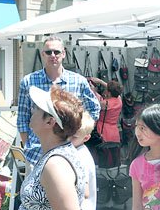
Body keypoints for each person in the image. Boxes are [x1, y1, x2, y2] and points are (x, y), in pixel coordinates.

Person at [18, 36, 100, 165]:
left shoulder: (79, 81)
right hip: (37, 152)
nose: (53, 55)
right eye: (48, 52)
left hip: (70, 150)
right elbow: (22, 118)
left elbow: (94, 109)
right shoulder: (28, 81)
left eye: (56, 52)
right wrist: (27, 144)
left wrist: (79, 135)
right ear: (42, 55)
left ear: (63, 54)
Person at [88, 78, 123, 143]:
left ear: (109, 92)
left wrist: (93, 91)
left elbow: (95, 103)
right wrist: (100, 81)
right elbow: (113, 89)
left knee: (103, 150)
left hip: (103, 129)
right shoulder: (119, 100)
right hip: (113, 129)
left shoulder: (105, 103)